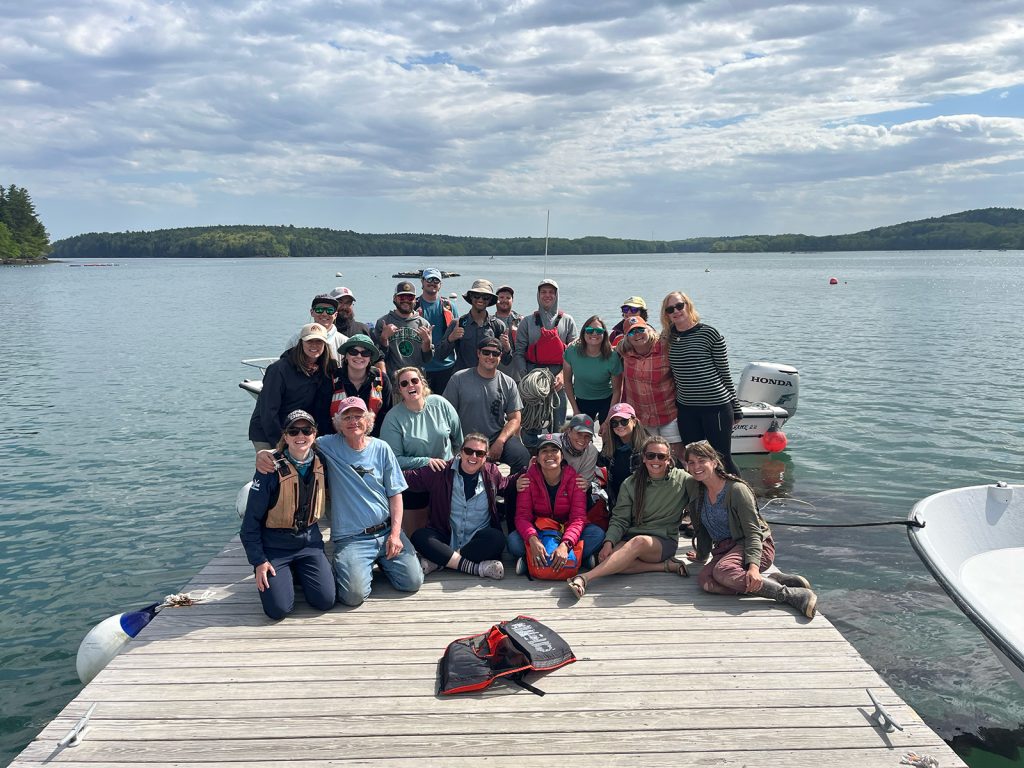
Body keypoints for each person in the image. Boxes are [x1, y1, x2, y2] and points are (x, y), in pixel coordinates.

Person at [259, 397, 423, 606]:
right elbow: (298, 443)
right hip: (352, 538)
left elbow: (396, 494)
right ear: (338, 423)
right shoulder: (327, 445)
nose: (353, 421)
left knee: (413, 582)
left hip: (387, 531)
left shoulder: (382, 448)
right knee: (353, 597)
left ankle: (377, 563)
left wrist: (395, 534)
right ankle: (354, 566)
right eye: (347, 416)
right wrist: (265, 454)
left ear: (369, 420)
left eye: (358, 416)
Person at [683, 440, 816, 618]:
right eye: (691, 462)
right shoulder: (696, 489)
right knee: (705, 581)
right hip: (726, 549)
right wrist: (701, 555)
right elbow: (704, 529)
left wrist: (753, 568)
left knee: (723, 572)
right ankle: (772, 582)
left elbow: (754, 533)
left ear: (714, 462)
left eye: (701, 461)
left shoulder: (736, 490)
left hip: (755, 545)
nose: (696, 466)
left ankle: (791, 595)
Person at [566, 436, 696, 599]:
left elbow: (706, 492)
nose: (655, 460)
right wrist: (609, 542)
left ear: (669, 460)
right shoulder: (631, 483)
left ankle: (584, 578)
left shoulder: (684, 480)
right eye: (650, 455)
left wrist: (703, 551)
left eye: (661, 456)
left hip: (663, 541)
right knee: (611, 560)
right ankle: (665, 566)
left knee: (635, 544)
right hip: (632, 537)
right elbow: (620, 519)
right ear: (643, 458)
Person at [240, 410, 336, 619]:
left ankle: (297, 573)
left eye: (306, 430)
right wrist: (258, 561)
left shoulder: (322, 461)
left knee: (325, 601)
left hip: (309, 544)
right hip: (276, 548)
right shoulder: (269, 468)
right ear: (285, 436)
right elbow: (250, 522)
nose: (300, 436)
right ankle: (284, 574)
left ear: (314, 433)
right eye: (293, 431)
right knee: (278, 610)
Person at [404, 433, 510, 580]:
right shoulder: (441, 471)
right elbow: (406, 478)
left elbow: (508, 485)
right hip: (445, 537)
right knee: (420, 537)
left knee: (497, 539)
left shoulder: (492, 473)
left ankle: (440, 561)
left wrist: (528, 473)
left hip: (476, 541)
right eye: (468, 451)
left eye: (479, 453)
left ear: (485, 457)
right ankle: (475, 568)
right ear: (460, 452)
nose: (473, 456)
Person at [662, 291, 743, 476]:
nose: (676, 311)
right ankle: (702, 501)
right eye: (670, 309)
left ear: (688, 306)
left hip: (716, 407)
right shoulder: (667, 338)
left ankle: (742, 500)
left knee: (722, 459)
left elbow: (724, 372)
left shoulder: (709, 333)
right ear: (666, 314)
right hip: (687, 409)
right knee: (695, 461)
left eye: (679, 306)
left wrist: (736, 407)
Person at [510, 434, 605, 573]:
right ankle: (575, 559)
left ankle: (532, 561)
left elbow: (578, 519)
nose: (550, 455)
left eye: (554, 450)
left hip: (566, 529)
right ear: (537, 458)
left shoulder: (575, 480)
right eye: (544, 451)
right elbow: (522, 517)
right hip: (541, 532)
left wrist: (565, 545)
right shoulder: (527, 480)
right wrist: (533, 539)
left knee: (597, 534)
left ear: (562, 456)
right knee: (513, 542)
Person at [443, 337, 530, 472]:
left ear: (500, 356)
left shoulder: (508, 383)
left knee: (522, 458)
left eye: (495, 354)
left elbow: (515, 418)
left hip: (495, 439)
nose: (490, 356)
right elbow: (445, 416)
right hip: (465, 441)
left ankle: (509, 491)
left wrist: (500, 442)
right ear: (478, 353)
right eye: (486, 352)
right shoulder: (458, 379)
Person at [249, 323, 335, 451]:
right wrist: (282, 444)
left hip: (300, 431)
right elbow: (268, 411)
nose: (314, 345)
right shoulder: (278, 369)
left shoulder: (326, 369)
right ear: (301, 342)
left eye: (319, 342)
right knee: (273, 468)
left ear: (325, 344)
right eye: (309, 341)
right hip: (268, 431)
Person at [615, 315, 682, 460]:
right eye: (632, 332)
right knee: (649, 457)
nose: (637, 334)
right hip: (642, 417)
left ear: (648, 329)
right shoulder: (623, 351)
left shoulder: (665, 347)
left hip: (669, 414)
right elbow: (601, 349)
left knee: (676, 457)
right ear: (626, 337)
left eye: (640, 329)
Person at [514, 278, 578, 427]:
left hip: (559, 376)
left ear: (556, 295)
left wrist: (563, 375)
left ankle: (557, 445)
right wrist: (526, 378)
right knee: (531, 421)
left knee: (559, 420)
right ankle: (530, 446)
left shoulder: (567, 321)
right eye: (543, 292)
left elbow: (575, 352)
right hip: (533, 374)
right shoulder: (527, 321)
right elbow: (519, 352)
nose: (547, 295)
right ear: (538, 295)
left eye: (551, 292)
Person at [379, 366, 463, 470]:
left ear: (422, 383)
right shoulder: (392, 418)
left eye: (414, 381)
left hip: (447, 473)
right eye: (404, 383)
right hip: (415, 479)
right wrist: (426, 462)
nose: (410, 385)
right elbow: (392, 459)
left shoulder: (441, 403)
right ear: (400, 390)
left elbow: (459, 441)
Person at [437, 279, 511, 373]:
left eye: (485, 297)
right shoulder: (457, 323)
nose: (480, 300)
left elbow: (506, 361)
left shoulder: (498, 325)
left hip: (487, 379)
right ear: (471, 297)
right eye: (476, 296)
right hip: (462, 380)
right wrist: (451, 339)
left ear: (490, 300)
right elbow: (440, 355)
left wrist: (507, 348)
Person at [562, 314, 622, 424]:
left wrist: (609, 417)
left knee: (608, 435)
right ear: (583, 332)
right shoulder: (571, 351)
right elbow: (567, 382)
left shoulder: (612, 356)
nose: (594, 334)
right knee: (581, 435)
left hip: (606, 400)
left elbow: (617, 390)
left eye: (599, 331)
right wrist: (575, 410)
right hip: (582, 400)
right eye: (589, 330)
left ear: (604, 334)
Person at [330, 334, 392, 437]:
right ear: (346, 356)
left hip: (372, 440)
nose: (359, 356)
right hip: (337, 440)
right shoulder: (331, 379)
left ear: (370, 358)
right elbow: (321, 416)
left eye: (365, 353)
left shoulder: (382, 379)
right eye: (353, 352)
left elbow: (386, 414)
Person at [373, 281, 434, 376]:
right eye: (402, 297)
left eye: (410, 297)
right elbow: (378, 358)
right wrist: (384, 338)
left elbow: (427, 359)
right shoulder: (383, 322)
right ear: (394, 298)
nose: (406, 300)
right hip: (392, 379)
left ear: (415, 300)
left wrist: (427, 343)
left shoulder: (424, 324)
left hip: (416, 379)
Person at [598, 402, 652, 508]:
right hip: (616, 506)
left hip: (643, 507)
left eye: (624, 421)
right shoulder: (609, 446)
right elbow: (597, 462)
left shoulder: (648, 448)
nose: (619, 426)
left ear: (634, 421)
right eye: (614, 423)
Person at [415, 267, 458, 393]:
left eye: (436, 280)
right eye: (429, 279)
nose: (432, 283)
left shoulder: (449, 306)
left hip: (446, 367)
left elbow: (456, 333)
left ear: (440, 285)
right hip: (421, 368)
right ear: (422, 281)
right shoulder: (414, 305)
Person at [285, 294, 348, 362]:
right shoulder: (296, 339)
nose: (324, 314)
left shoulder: (344, 342)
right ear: (312, 312)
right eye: (319, 309)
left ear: (335, 315)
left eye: (330, 310)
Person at [494, 285, 522, 381]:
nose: (504, 300)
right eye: (501, 297)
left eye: (508, 298)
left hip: (518, 375)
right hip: (495, 373)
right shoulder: (489, 321)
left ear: (512, 300)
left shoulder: (521, 321)